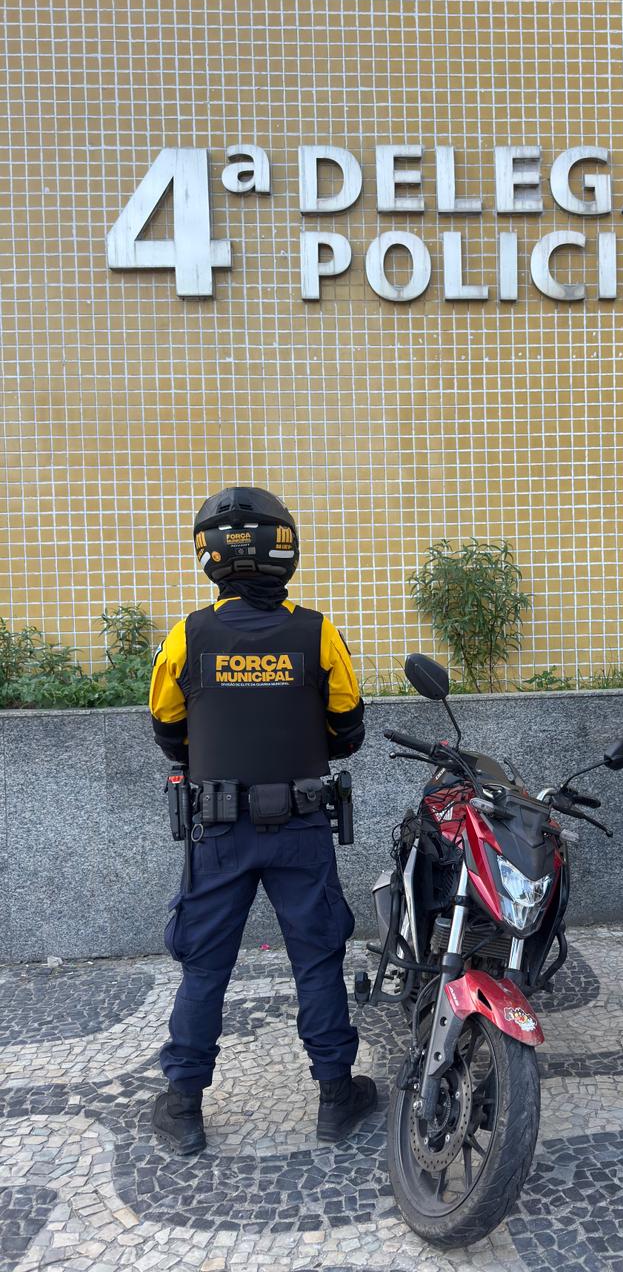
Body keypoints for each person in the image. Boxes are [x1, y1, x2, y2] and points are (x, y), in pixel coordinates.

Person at [148, 486, 376, 1154]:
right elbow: (348, 727)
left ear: (208, 557)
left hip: (219, 830)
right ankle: (335, 1098)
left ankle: (184, 1108)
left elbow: (167, 728)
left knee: (205, 967)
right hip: (301, 827)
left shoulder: (188, 635)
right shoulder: (317, 631)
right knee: (317, 960)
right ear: (285, 550)